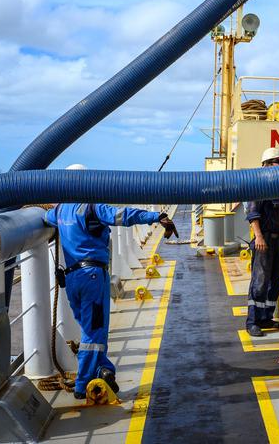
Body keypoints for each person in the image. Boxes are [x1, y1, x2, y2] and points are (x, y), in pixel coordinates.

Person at [43, 163, 178, 400]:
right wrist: (157, 216)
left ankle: (104, 371)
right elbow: (123, 216)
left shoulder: (59, 211)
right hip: (93, 277)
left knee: (88, 329)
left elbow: (45, 216)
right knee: (93, 335)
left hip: (73, 279)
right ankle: (82, 384)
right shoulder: (91, 208)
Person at [245, 147, 279, 337]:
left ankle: (266, 317)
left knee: (275, 280)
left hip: (277, 240)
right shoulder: (259, 185)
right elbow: (253, 214)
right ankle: (252, 321)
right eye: (277, 161)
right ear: (267, 164)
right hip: (263, 239)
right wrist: (258, 237)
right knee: (259, 281)